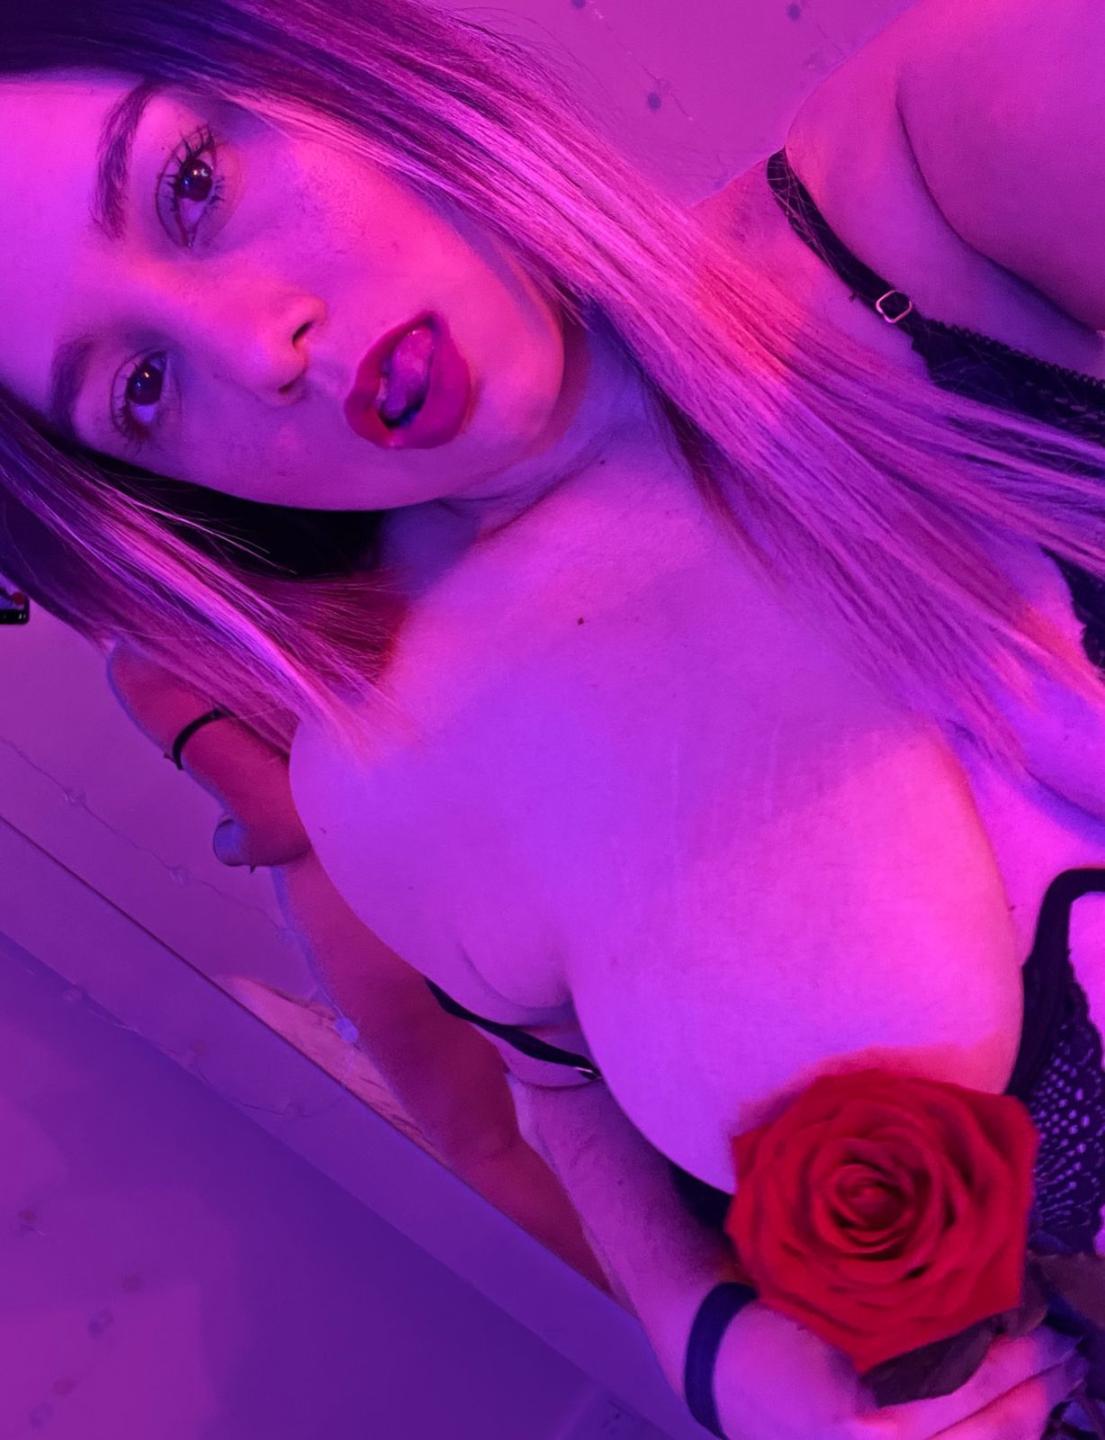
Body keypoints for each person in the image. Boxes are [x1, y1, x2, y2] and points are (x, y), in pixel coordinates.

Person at [1, 0, 1104, 1434]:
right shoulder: (389, 784)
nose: (257, 347)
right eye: (141, 386)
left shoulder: (945, 170)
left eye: (189, 183)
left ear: (312, 64)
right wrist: (715, 1354)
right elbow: (554, 1100)